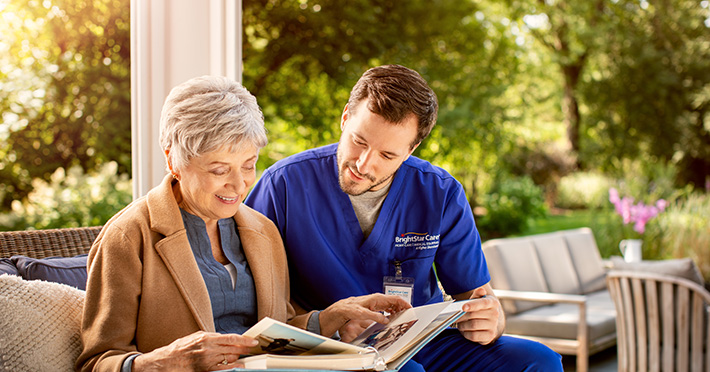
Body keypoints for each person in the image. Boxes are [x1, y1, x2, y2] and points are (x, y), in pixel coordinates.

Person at [76, 75, 409, 372]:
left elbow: (273, 335)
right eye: (220, 170)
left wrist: (333, 317)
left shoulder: (263, 231)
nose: (238, 186)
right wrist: (166, 362)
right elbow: (97, 362)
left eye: (248, 165)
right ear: (172, 159)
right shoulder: (127, 237)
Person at [245, 64, 564, 371]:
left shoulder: (440, 193)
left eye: (387, 155)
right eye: (359, 141)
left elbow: (477, 296)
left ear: (412, 149)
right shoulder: (284, 185)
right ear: (345, 117)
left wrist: (493, 320)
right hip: (328, 345)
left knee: (539, 360)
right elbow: (249, 296)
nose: (364, 164)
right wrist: (326, 319)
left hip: (419, 341)